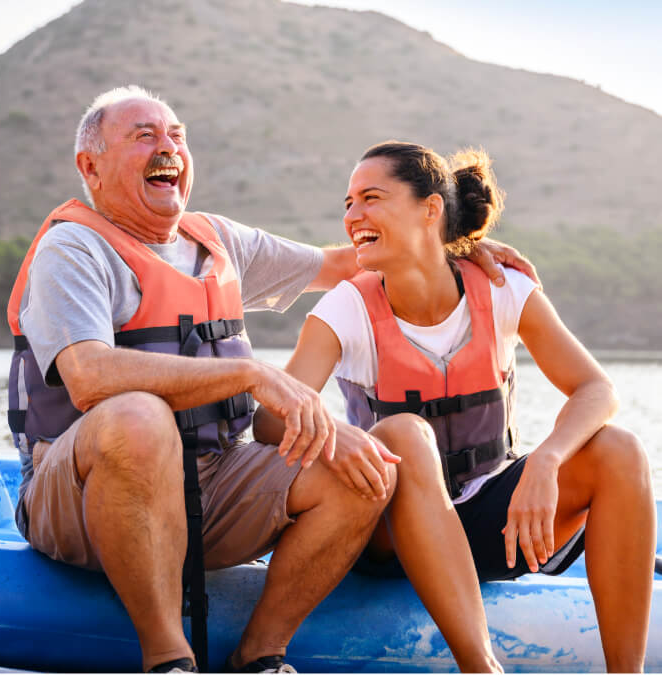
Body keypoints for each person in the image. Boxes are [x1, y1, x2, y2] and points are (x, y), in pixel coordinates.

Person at [6, 85, 535, 674]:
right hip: (80, 498)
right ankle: (167, 658)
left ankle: (258, 655)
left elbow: (348, 263)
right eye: (144, 136)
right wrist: (250, 374)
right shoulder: (73, 249)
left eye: (176, 135)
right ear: (91, 166)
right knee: (138, 416)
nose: (168, 149)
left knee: (361, 469)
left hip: (208, 485)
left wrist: (454, 248)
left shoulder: (220, 242)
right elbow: (89, 377)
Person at [254, 141, 656, 672]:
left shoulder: (502, 287)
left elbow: (596, 389)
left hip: (494, 525)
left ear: (431, 208)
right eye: (348, 203)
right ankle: (480, 666)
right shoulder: (346, 307)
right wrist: (335, 432)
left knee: (620, 450)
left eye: (370, 198)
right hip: (388, 536)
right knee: (402, 434)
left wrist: (547, 461)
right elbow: (266, 421)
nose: (353, 216)